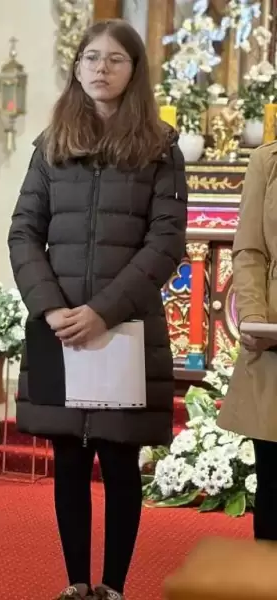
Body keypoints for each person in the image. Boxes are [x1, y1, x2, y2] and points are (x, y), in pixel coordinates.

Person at [8, 20, 187, 600]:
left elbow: (165, 242)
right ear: (77, 67)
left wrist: (103, 312)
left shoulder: (159, 147)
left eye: (114, 59)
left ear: (134, 71)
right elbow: (23, 232)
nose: (100, 68)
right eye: (90, 57)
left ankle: (112, 586)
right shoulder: (51, 144)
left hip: (124, 329)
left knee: (117, 459)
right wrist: (50, 307)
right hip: (59, 326)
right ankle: (75, 583)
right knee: (67, 457)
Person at [217, 141, 277, 542]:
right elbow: (250, 250)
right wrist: (254, 316)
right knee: (274, 486)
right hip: (274, 345)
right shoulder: (267, 160)